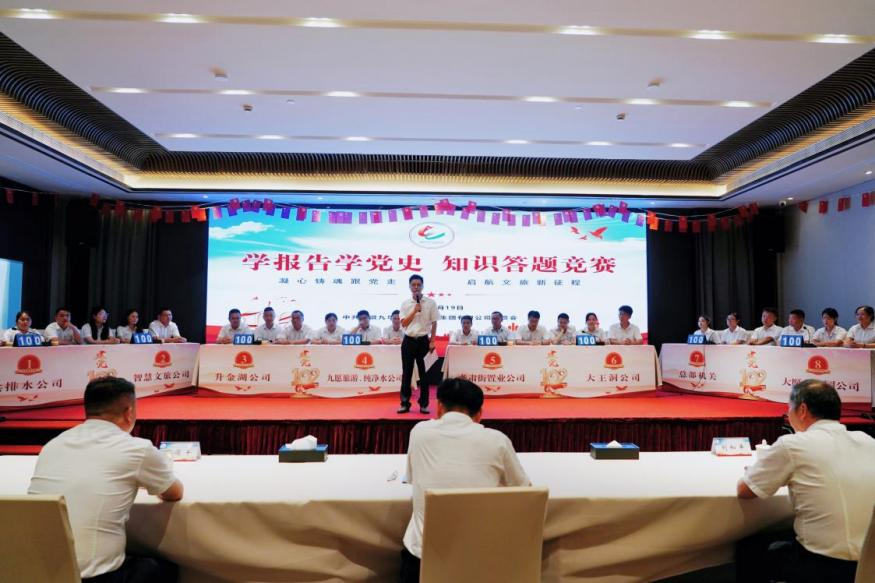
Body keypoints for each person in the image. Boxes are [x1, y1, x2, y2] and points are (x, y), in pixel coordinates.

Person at [28, 376, 183, 582]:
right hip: (94, 577)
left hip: (38, 571)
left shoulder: (53, 445)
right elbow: (174, 493)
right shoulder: (137, 449)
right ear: (129, 412)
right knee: (165, 569)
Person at [736, 380, 875, 583]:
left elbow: (745, 491)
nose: (787, 414)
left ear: (802, 410)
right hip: (870, 563)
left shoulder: (793, 445)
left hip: (823, 566)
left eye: (789, 408)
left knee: (748, 548)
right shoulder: (868, 442)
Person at [400, 378, 530, 583]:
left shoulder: (419, 432)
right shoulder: (497, 440)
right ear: (479, 414)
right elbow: (524, 492)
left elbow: (412, 477)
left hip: (421, 560)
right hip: (482, 560)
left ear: (439, 407)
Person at [398, 274, 439, 414]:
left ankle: (424, 404)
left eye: (418, 284)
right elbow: (404, 323)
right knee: (407, 373)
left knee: (424, 374)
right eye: (413, 285)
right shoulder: (405, 304)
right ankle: (404, 403)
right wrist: (414, 310)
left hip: (423, 341)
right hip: (408, 340)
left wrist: (432, 340)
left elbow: (434, 322)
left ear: (422, 286)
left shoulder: (431, 303)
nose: (416, 287)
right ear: (409, 287)